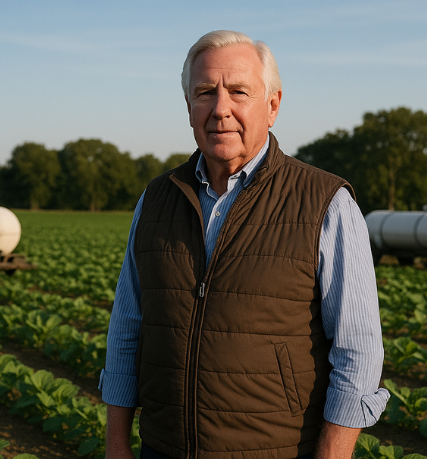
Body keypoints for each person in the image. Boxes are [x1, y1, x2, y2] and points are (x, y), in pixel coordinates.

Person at [99, 30, 389, 459]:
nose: (220, 109)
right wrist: (117, 446)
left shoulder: (325, 203)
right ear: (188, 107)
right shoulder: (156, 199)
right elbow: (127, 331)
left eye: (239, 91)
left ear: (272, 106)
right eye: (204, 92)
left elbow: (358, 352)